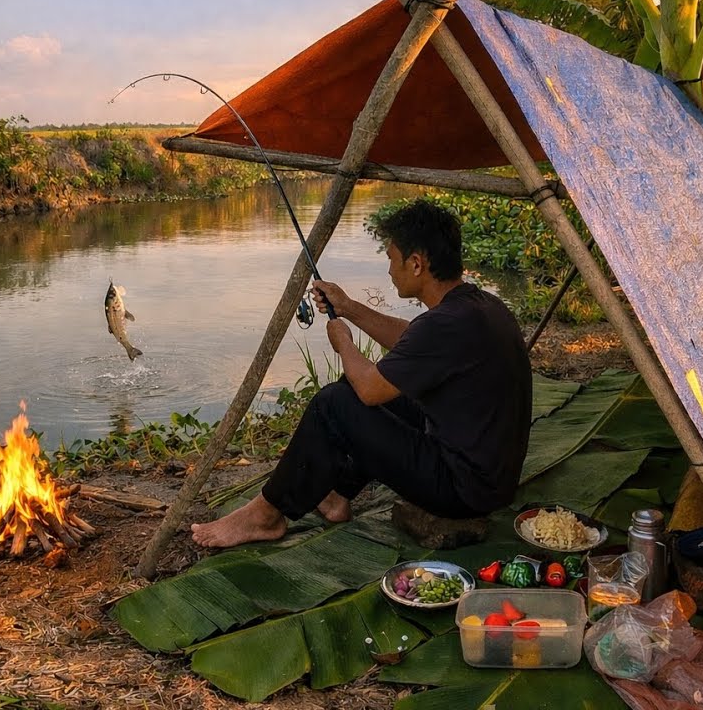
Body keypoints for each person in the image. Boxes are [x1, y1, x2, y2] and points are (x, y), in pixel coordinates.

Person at [192, 199, 532, 548]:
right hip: (491, 480)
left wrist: (344, 344)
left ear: (416, 264)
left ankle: (265, 516)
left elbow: (370, 389)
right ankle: (338, 495)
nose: (388, 270)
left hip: (463, 490)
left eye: (391, 259)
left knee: (336, 401)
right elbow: (411, 339)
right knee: (364, 394)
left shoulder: (445, 323)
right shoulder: (479, 307)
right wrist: (348, 308)